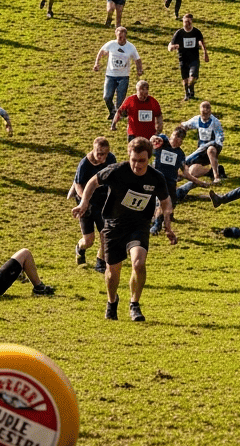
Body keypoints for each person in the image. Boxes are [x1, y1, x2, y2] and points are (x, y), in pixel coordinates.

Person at [72, 135, 175, 322]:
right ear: (129, 156)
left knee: (138, 263)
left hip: (139, 225)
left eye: (142, 161)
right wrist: (84, 203)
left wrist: (167, 226)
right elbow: (92, 182)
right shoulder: (117, 171)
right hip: (114, 225)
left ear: (149, 158)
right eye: (134, 160)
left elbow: (167, 203)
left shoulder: (156, 178)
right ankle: (112, 302)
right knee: (113, 271)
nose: (137, 165)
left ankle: (134, 304)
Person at [150, 127, 208, 232]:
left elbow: (185, 172)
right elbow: (152, 139)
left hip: (171, 182)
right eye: (175, 137)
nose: (176, 141)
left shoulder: (180, 154)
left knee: (170, 206)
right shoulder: (163, 142)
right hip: (158, 179)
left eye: (180, 139)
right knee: (161, 202)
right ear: (171, 135)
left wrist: (199, 182)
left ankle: (161, 220)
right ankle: (156, 225)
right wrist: (155, 138)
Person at [72, 136, 117, 272]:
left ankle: (100, 262)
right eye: (99, 153)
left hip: (103, 202)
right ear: (93, 150)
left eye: (104, 154)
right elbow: (78, 185)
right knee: (89, 240)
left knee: (105, 233)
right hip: (87, 204)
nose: (101, 157)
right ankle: (80, 248)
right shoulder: (85, 164)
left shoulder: (111, 159)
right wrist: (84, 202)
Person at [94, 26, 142, 119]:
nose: (121, 39)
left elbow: (137, 59)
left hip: (123, 76)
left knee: (120, 101)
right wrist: (97, 63)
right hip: (110, 75)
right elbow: (101, 52)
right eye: (119, 37)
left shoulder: (130, 47)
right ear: (116, 35)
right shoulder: (111, 44)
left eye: (123, 37)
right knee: (107, 97)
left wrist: (139, 69)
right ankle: (113, 112)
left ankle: (118, 114)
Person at [168, 13, 209, 101]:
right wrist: (173, 47)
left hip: (194, 58)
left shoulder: (196, 32)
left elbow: (202, 42)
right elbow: (170, 46)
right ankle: (187, 94)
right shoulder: (179, 33)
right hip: (183, 58)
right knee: (185, 79)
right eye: (186, 22)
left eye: (189, 22)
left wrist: (205, 53)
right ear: (183, 22)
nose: (188, 24)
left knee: (193, 77)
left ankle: (191, 88)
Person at [112, 80, 162, 144]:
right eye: (141, 94)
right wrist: (114, 123)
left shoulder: (153, 102)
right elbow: (120, 112)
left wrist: (158, 131)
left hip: (149, 135)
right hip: (133, 135)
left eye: (145, 94)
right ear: (137, 91)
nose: (143, 97)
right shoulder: (130, 100)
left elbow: (159, 116)